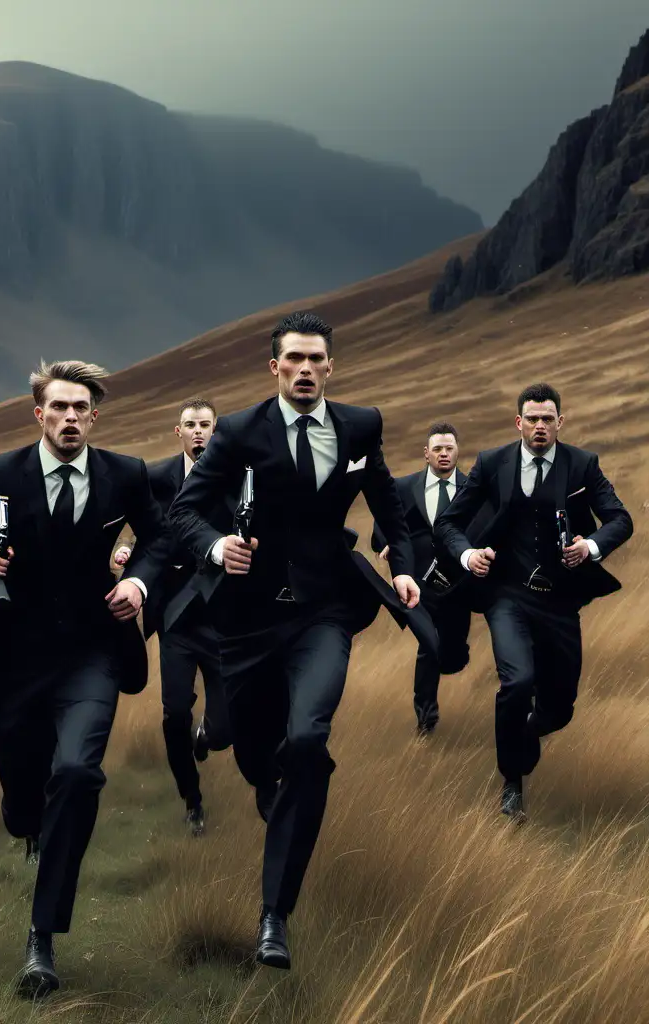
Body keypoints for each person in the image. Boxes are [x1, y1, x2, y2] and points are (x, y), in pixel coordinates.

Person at [168, 310, 434, 970]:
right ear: (275, 368)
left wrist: (401, 566)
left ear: (331, 367)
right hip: (249, 620)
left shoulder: (360, 426)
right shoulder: (236, 432)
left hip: (325, 612)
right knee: (261, 759)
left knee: (310, 741)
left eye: (318, 359)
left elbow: (388, 504)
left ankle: (274, 917)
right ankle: (269, 782)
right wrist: (217, 543)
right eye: (296, 360)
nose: (307, 369)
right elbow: (184, 511)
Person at [0, 360, 170, 996]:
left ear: (95, 416)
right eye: (58, 407)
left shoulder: (124, 474)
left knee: (78, 773)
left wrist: (140, 581)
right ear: (39, 413)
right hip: (14, 660)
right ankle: (21, 808)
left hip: (94, 653)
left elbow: (161, 539)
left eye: (80, 408)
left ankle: (42, 938)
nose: (69, 418)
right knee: (20, 810)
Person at [433, 382, 632, 821]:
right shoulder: (492, 463)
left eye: (548, 419)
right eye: (532, 419)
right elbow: (449, 523)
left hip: (560, 602)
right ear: (518, 422)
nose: (540, 426)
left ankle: (526, 735)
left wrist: (591, 547)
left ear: (561, 422)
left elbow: (620, 519)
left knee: (560, 707)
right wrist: (469, 554)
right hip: (508, 596)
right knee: (517, 682)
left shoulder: (583, 465)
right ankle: (512, 783)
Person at [129, 398, 233, 836]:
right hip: (175, 619)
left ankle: (208, 734)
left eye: (205, 425)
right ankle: (192, 800)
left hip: (224, 618)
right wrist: (127, 556)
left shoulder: (235, 476)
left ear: (216, 430)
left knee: (225, 729)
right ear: (178, 432)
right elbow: (136, 526)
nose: (197, 432)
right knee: (174, 716)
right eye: (189, 425)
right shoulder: (154, 479)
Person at [370, 422, 489, 734]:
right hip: (417, 584)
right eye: (437, 448)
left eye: (449, 448)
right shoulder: (404, 487)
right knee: (428, 644)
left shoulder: (472, 490)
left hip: (457, 585)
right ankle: (426, 719)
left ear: (457, 451)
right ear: (426, 454)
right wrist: (388, 542)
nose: (444, 454)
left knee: (450, 654)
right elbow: (384, 523)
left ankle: (453, 656)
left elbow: (486, 526)